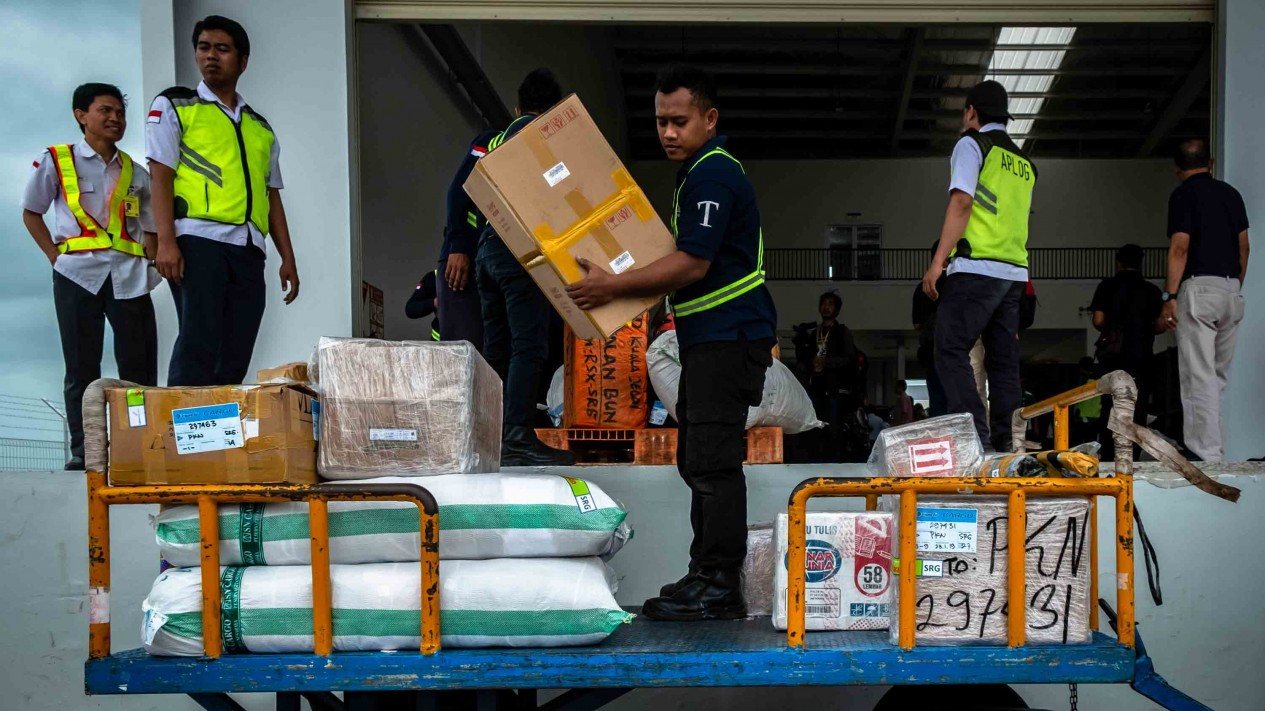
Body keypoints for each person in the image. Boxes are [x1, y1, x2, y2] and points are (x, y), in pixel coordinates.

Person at [567, 65, 776, 621]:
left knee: (712, 463)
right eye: (660, 121)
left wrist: (610, 286)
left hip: (728, 339)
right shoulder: (699, 173)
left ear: (710, 119)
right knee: (699, 459)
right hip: (712, 338)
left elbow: (693, 262)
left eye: (679, 121)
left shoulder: (712, 175)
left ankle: (719, 583)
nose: (667, 132)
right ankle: (706, 571)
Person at [147, 15, 300, 386]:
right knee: (198, 343)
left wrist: (288, 258)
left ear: (243, 61)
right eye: (203, 47)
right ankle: (182, 437)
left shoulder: (260, 127)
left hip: (248, 249)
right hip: (198, 241)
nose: (210, 56)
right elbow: (160, 176)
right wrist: (165, 242)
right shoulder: (176, 105)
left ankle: (218, 437)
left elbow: (271, 195)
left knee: (236, 349)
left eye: (222, 48)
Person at [21, 83, 160, 470]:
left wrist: (155, 265)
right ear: (82, 115)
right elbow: (31, 211)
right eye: (105, 110)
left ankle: (139, 446)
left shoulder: (137, 171)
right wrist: (54, 256)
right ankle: (85, 450)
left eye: (120, 112)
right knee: (81, 364)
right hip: (77, 274)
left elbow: (150, 226)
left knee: (139, 365)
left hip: (129, 275)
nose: (115, 118)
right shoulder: (57, 160)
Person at [921, 80, 1036, 452]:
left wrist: (938, 262)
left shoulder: (971, 145)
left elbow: (961, 203)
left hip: (976, 267)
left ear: (972, 111)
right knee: (1003, 362)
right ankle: (1006, 443)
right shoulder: (1023, 163)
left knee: (949, 348)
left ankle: (975, 441)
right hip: (1015, 272)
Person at [476, 68, 574, 467]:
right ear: (553, 111)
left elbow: (463, 193)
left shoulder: (492, 141)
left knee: (497, 350)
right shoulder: (542, 139)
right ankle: (516, 437)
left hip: (486, 249)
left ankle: (493, 437)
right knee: (528, 346)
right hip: (519, 252)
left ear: (517, 106)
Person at [1161, 138, 1250, 461]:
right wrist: (1234, 286)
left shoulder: (1183, 195)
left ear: (1177, 169)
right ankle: (1216, 448)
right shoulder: (1231, 195)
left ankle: (1205, 454)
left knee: (1198, 374)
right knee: (1217, 377)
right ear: (1210, 163)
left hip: (1199, 289)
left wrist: (1169, 296)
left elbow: (1180, 248)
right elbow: (1244, 248)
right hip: (1230, 289)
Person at [1090, 243, 1162, 442]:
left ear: (1118, 262)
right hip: (1142, 355)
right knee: (1138, 405)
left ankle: (1107, 450)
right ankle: (1134, 452)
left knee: (1109, 403)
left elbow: (1098, 320)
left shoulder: (1106, 286)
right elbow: (1160, 324)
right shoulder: (1152, 291)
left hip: (1112, 356)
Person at [437, 129, 498, 351]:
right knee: (462, 351)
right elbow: (458, 191)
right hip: (465, 260)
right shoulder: (495, 141)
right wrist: (458, 246)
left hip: (493, 266)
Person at [792, 291, 858, 460]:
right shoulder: (815, 333)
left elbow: (850, 360)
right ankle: (816, 459)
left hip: (834, 387)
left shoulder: (842, 332)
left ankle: (834, 462)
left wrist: (826, 362)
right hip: (815, 385)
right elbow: (803, 361)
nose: (826, 307)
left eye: (830, 304)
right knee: (814, 425)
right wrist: (801, 344)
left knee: (833, 427)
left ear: (837, 309)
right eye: (824, 303)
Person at [911, 240, 947, 416]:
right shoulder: (958, 283)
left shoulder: (922, 286)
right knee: (958, 396)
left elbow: (917, 323)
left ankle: (941, 439)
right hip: (956, 346)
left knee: (937, 398)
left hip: (931, 348)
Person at [405, 270, 441, 341]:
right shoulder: (435, 277)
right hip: (440, 344)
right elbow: (410, 309)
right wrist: (434, 302)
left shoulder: (469, 275)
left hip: (467, 339)